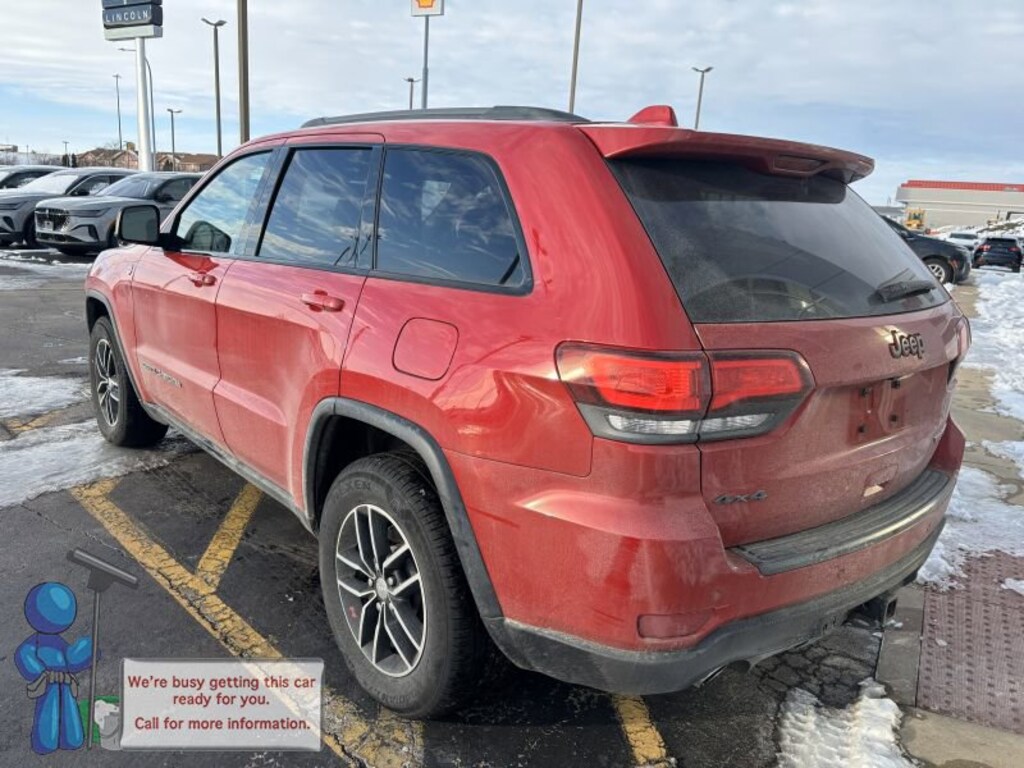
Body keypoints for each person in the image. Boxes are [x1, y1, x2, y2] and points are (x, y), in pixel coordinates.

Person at [15, 582, 93, 754]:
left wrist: (86, 649)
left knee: (68, 710)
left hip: (63, 682)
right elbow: (25, 654)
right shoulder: (35, 642)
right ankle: (46, 741)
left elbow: (70, 658)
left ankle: (71, 738)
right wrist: (39, 671)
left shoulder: (59, 643)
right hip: (49, 682)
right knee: (49, 709)